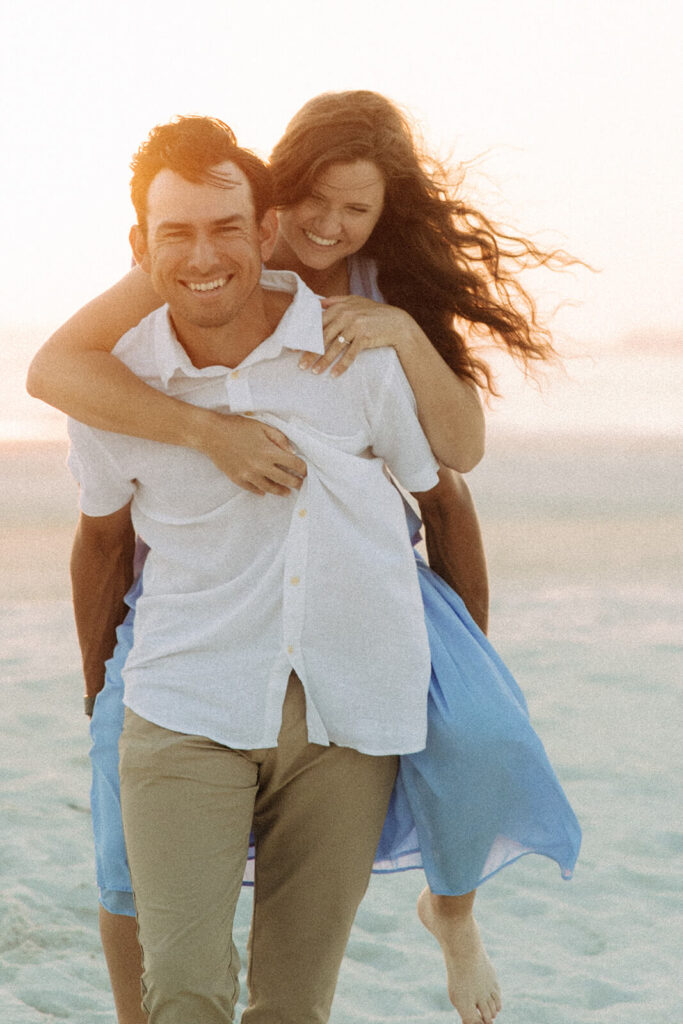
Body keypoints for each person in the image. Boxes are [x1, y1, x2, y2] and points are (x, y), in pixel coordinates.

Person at [28, 93, 581, 1024]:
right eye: (315, 202)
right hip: (193, 633)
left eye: (353, 210)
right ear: (281, 199)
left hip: (359, 589)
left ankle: (453, 914)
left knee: (478, 742)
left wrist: (399, 332)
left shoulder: (368, 317)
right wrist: (210, 434)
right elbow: (60, 379)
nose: (327, 228)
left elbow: (451, 475)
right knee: (124, 822)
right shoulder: (189, 265)